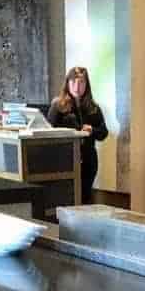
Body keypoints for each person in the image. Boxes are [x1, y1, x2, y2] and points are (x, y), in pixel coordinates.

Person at [46, 66, 108, 198]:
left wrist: (92, 130)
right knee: (66, 197)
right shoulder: (58, 105)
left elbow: (103, 133)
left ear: (86, 84)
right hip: (65, 160)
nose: (77, 86)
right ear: (67, 83)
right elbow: (48, 131)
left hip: (88, 160)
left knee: (85, 197)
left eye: (81, 82)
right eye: (73, 82)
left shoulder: (93, 107)